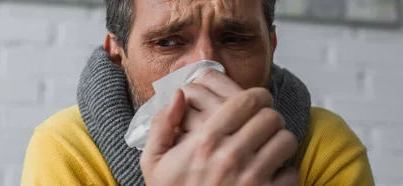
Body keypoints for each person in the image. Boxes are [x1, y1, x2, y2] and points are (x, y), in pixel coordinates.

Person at [21, 0, 375, 185]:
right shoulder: (68, 148)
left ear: (272, 46)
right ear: (119, 54)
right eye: (168, 42)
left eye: (235, 39)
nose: (206, 70)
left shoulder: (324, 146)